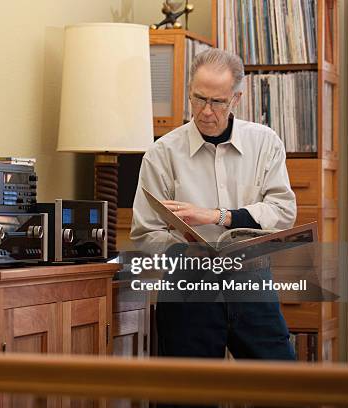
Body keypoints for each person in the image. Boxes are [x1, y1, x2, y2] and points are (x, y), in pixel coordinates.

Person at [130, 48, 297, 360]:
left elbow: (283, 212)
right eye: (197, 98)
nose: (205, 111)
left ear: (236, 99)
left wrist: (218, 217)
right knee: (185, 397)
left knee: (282, 388)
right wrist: (186, 250)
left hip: (253, 285)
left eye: (217, 102)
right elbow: (144, 235)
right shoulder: (161, 153)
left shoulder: (265, 142)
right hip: (188, 292)